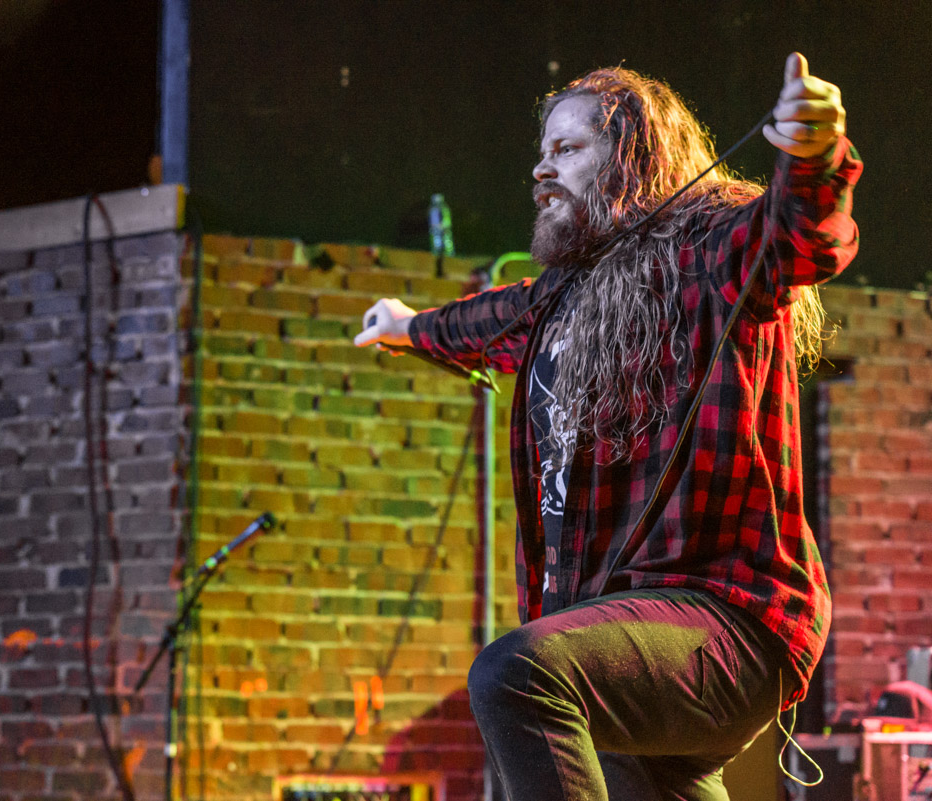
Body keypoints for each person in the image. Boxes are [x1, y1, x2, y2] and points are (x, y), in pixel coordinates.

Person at [353, 53, 861, 800]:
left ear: (633, 157)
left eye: (567, 148)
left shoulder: (707, 249)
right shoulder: (563, 296)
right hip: (618, 629)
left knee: (518, 674)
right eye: (541, 153)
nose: (542, 169)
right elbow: (487, 320)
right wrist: (407, 326)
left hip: (724, 617)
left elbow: (799, 234)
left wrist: (814, 157)